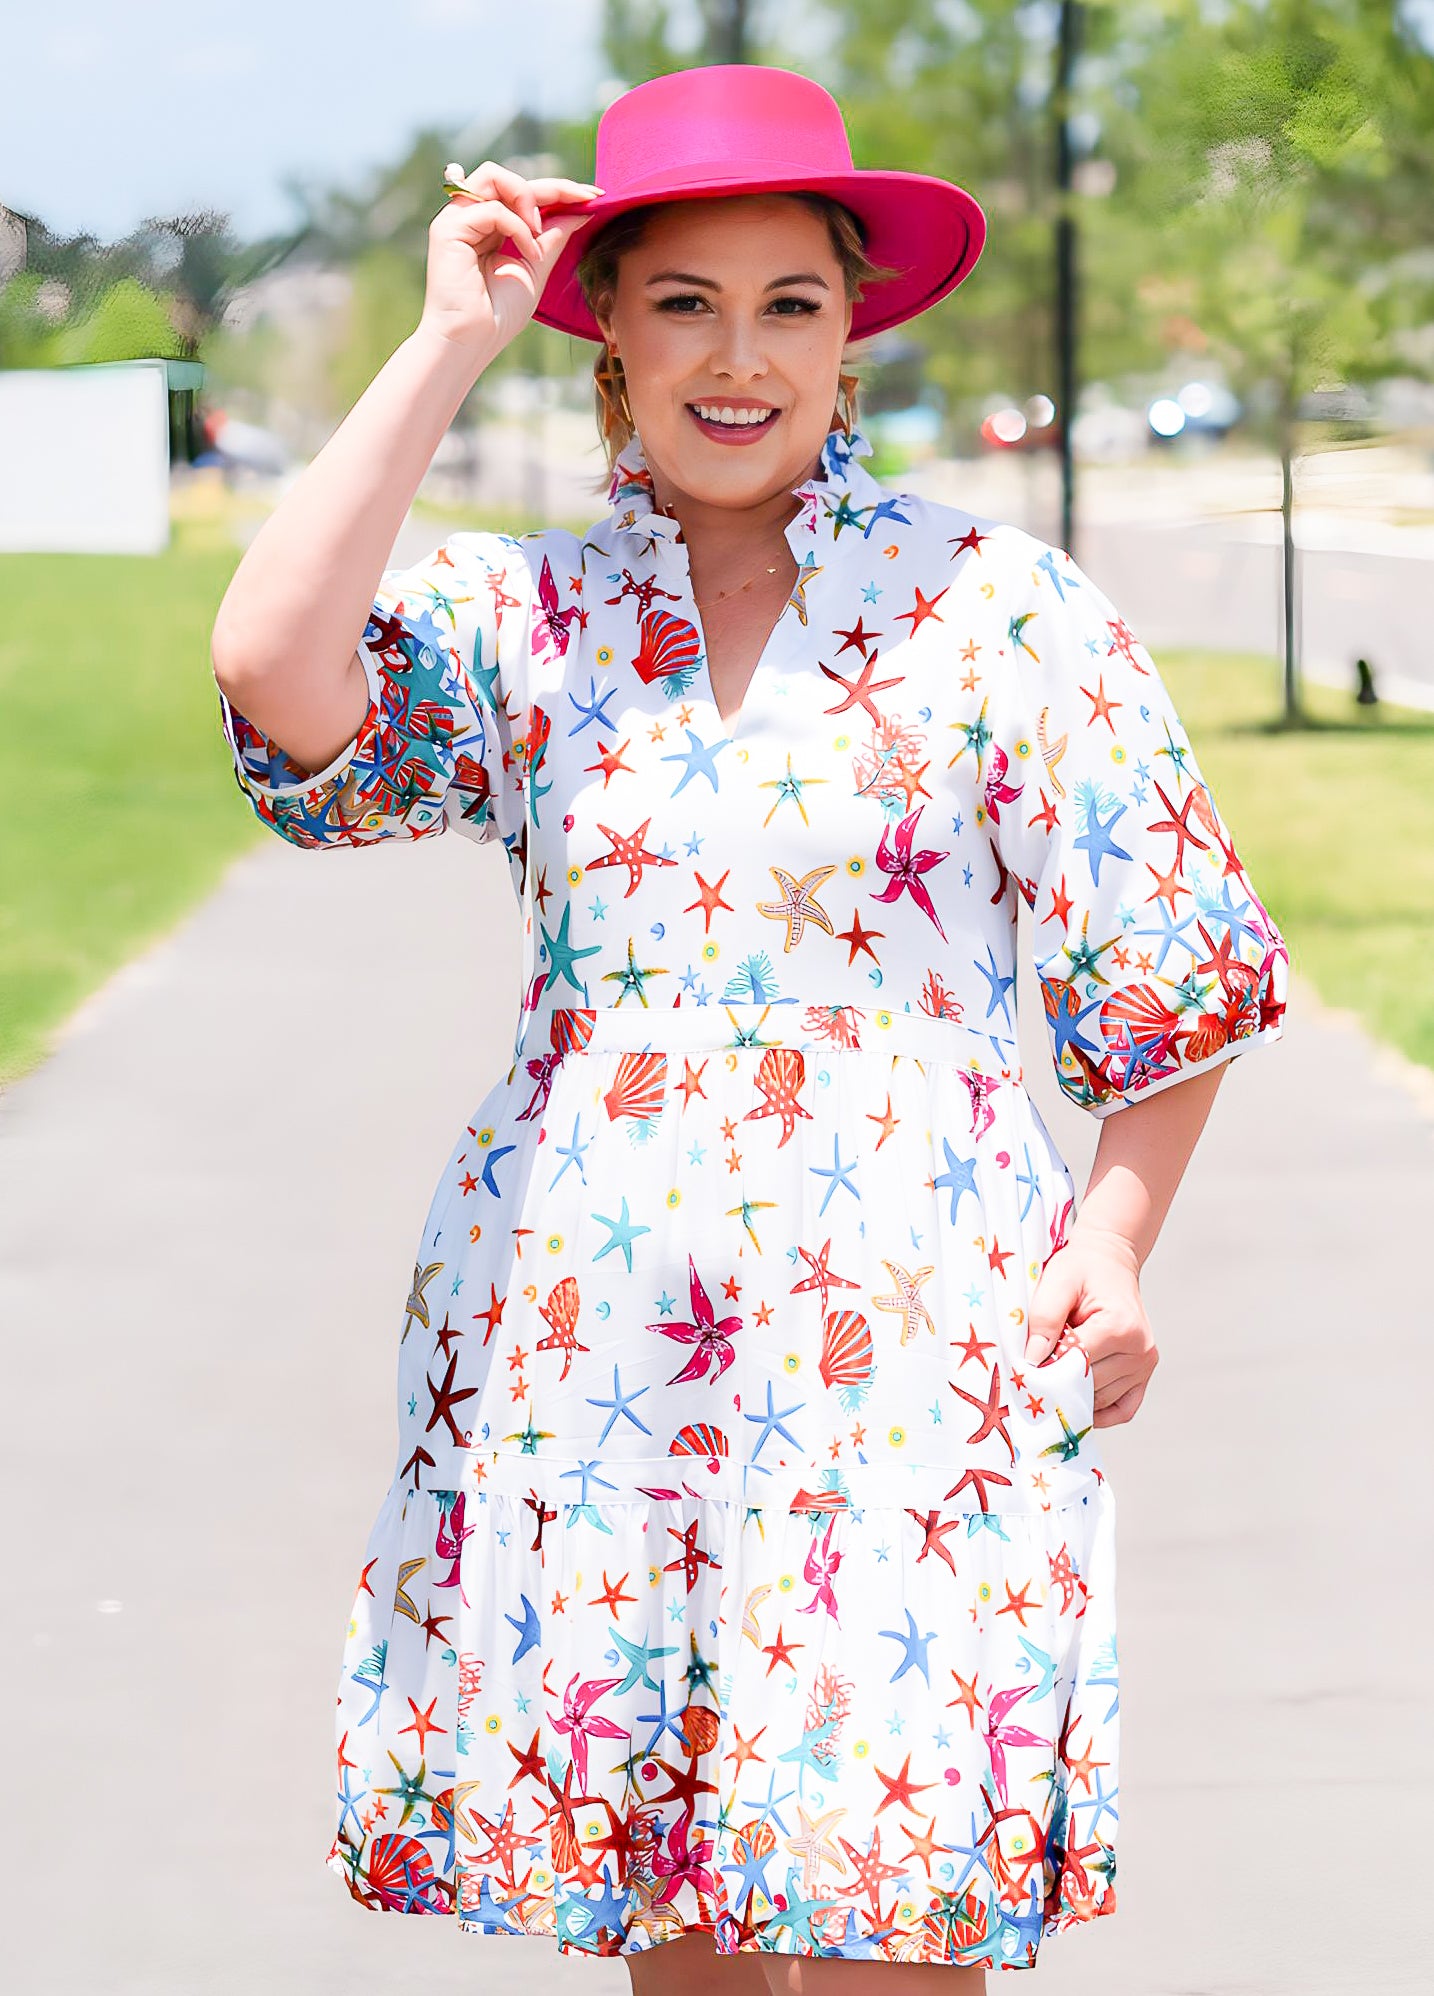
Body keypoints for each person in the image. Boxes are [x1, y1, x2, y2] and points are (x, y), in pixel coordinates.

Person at [210, 63, 1289, 1991]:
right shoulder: (524, 616)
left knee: (895, 1921)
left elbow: (1170, 964)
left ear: (851, 330)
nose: (738, 355)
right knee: (682, 1945)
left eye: (789, 302)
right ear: (607, 335)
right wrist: (447, 347)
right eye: (682, 301)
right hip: (598, 1338)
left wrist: (1112, 1252)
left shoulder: (997, 612)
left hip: (919, 1334)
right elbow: (278, 679)